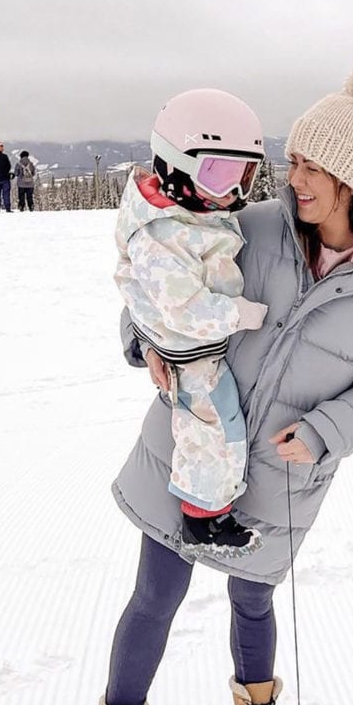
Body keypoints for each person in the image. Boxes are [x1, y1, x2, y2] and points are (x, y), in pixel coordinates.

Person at [84, 64, 353, 705]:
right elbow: (159, 282)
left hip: (283, 472)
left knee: (253, 601)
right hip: (187, 451)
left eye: (312, 167)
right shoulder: (258, 227)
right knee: (156, 595)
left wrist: (323, 432)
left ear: (350, 179)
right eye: (294, 161)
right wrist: (141, 338)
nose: (293, 176)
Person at [114, 89, 269, 557]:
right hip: (190, 346)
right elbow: (185, 308)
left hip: (184, 344)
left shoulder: (187, 214)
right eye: (219, 175)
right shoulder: (162, 232)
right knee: (213, 427)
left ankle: (208, 511)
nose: (234, 194)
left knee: (211, 423)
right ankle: (203, 519)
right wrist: (241, 313)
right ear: (174, 163)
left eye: (245, 175)